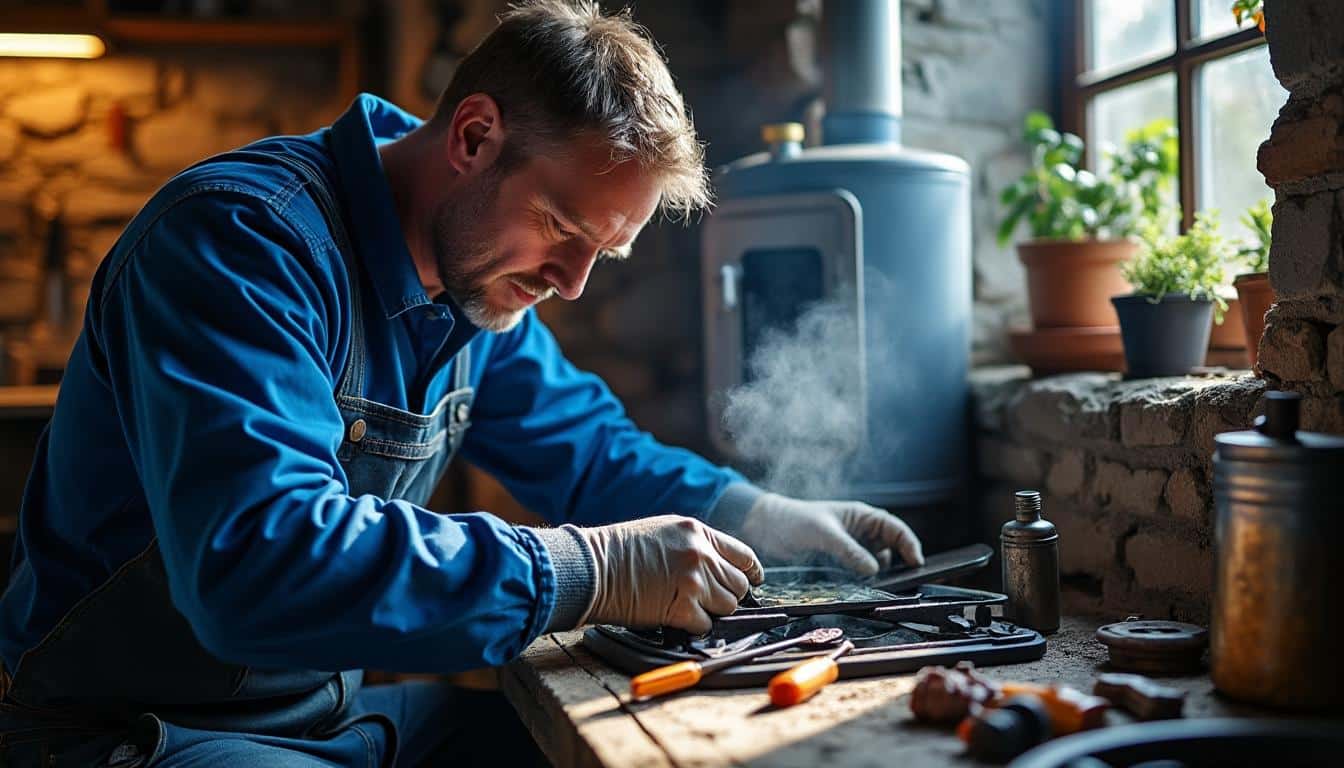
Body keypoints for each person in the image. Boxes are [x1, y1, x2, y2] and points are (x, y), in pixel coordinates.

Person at [0, 1, 923, 765]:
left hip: (325, 722)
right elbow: (259, 562)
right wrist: (585, 569)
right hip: (128, 738)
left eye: (605, 251)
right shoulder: (243, 245)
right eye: (563, 227)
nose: (572, 283)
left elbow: (590, 452)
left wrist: (756, 512)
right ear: (475, 136)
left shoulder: (478, 283)